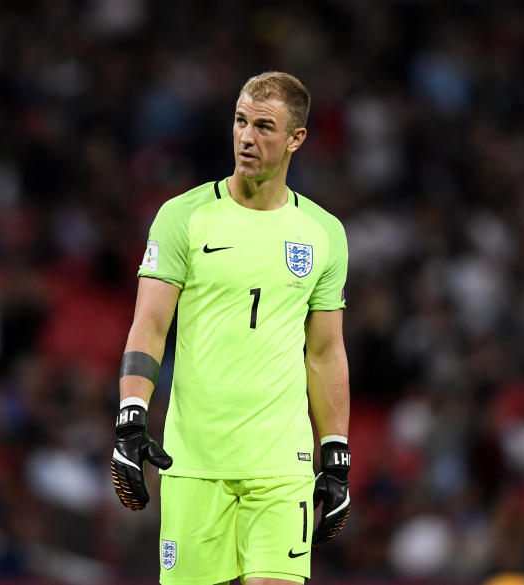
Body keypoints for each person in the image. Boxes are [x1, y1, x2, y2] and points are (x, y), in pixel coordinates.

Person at [111, 71, 351, 585]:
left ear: (296, 139)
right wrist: (131, 420)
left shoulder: (323, 234)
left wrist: (336, 456)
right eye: (241, 121)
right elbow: (149, 328)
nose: (247, 137)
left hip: (282, 464)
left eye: (265, 126)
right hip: (194, 459)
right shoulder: (183, 218)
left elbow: (326, 352)